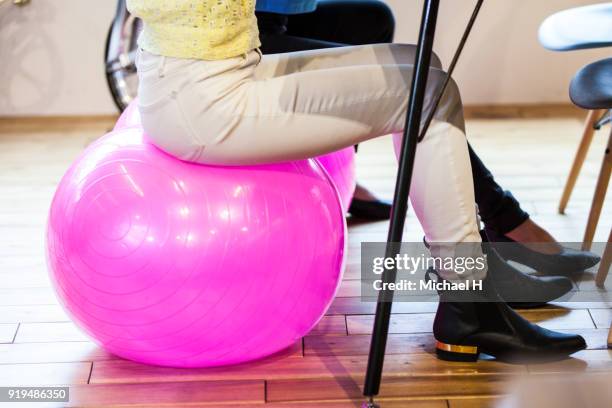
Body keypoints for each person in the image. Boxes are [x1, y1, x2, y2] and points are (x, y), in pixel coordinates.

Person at [127, 0, 586, 362]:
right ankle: (469, 296)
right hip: (204, 101)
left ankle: (471, 295)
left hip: (211, 74)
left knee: (421, 66)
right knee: (429, 93)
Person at [255, 0, 600, 275]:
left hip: (270, 18)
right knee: (422, 82)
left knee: (373, 20)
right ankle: (495, 232)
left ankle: (345, 180)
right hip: (243, 43)